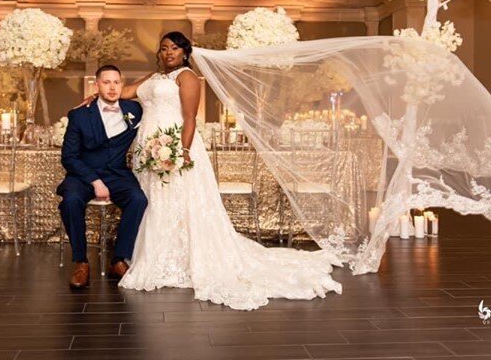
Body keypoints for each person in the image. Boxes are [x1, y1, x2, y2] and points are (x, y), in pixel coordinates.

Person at [80, 32, 343, 310]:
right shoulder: (154, 78)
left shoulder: (187, 77)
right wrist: (96, 95)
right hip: (148, 150)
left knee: (177, 202)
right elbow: (126, 91)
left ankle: (181, 257)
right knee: (154, 201)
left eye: (174, 48)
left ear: (184, 52)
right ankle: (156, 254)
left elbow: (190, 117)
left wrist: (180, 152)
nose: (168, 52)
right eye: (164, 48)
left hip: (174, 145)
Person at [56, 65, 147, 289]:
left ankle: (119, 258)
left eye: (116, 82)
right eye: (106, 82)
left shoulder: (135, 109)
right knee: (71, 201)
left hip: (117, 173)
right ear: (96, 85)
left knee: (138, 199)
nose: (112, 87)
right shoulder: (79, 115)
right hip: (83, 174)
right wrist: (95, 181)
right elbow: (69, 157)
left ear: (122, 85)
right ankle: (81, 262)